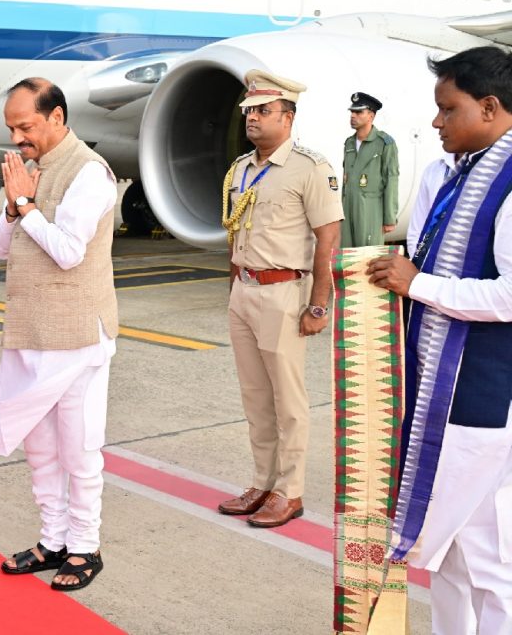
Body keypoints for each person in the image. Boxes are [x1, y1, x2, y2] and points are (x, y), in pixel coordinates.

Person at [367, 46, 512, 634]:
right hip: (440, 390)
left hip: (479, 397)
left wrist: (420, 285)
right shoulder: (455, 173)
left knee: (475, 552)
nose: (435, 123)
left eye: (446, 110)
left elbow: (509, 295)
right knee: (457, 550)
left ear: (490, 107)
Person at [0, 78, 118, 591]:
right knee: (39, 448)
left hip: (78, 335)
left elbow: (68, 252)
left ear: (57, 117)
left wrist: (27, 206)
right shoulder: (31, 171)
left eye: (26, 126)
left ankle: (85, 546)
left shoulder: (90, 174)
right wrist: (15, 204)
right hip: (31, 333)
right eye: (12, 128)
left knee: (79, 449)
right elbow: (0, 247)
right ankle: (53, 539)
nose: (17, 137)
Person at [217, 70, 343, 527]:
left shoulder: (310, 168)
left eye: (263, 110)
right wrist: (234, 288)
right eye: (249, 110)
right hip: (245, 293)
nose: (252, 118)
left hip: (284, 293)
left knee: (288, 400)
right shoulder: (241, 168)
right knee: (255, 397)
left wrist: (318, 305)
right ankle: (262, 481)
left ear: (287, 117)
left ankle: (289, 492)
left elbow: (328, 242)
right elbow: (235, 234)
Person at [341, 92, 399, 247]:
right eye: (352, 111)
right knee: (347, 259)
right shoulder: (349, 144)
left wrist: (389, 218)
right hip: (348, 210)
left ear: (371, 116)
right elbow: (345, 181)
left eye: (359, 112)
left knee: (368, 260)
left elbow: (391, 180)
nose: (353, 115)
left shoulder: (384, 143)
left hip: (370, 210)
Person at [406, 151, 462, 257]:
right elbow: (417, 228)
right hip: (430, 265)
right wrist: (417, 261)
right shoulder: (434, 169)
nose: (440, 133)